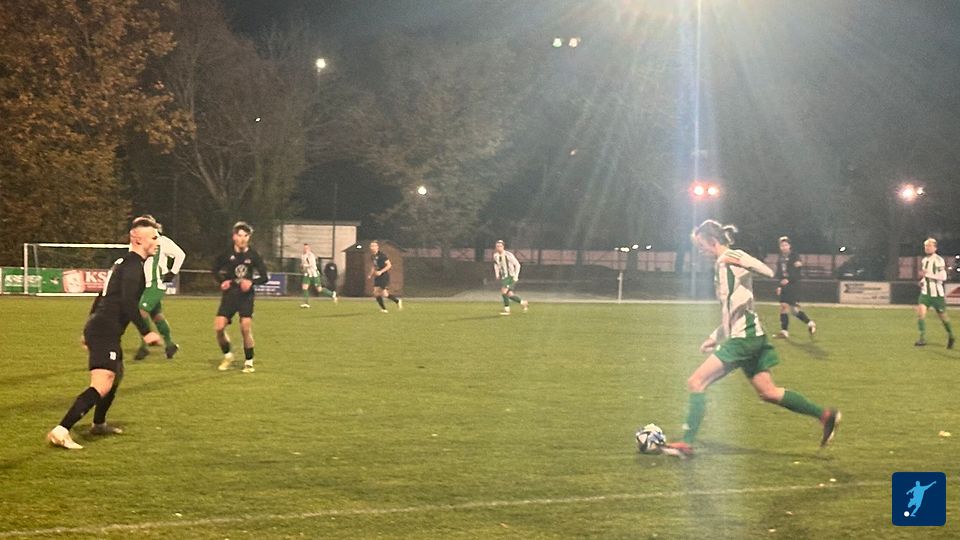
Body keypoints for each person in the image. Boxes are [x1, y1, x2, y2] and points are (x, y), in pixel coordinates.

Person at [664, 220, 840, 458]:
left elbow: (766, 270)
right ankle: (825, 416)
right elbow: (732, 312)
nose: (700, 251)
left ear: (712, 241)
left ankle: (686, 443)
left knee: (696, 382)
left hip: (744, 338)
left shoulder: (730, 257)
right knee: (768, 392)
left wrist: (741, 259)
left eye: (701, 245)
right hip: (751, 335)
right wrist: (715, 337)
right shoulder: (721, 264)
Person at [47, 218, 162, 450]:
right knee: (102, 382)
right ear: (138, 239)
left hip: (100, 327)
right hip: (105, 330)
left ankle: (98, 424)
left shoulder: (121, 263)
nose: (157, 242)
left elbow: (102, 295)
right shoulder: (133, 266)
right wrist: (146, 332)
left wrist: (87, 327)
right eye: (153, 237)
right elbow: (128, 302)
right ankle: (61, 430)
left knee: (116, 374)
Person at [212, 221, 269, 373]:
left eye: (245, 236)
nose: (242, 239)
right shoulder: (226, 254)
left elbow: (265, 277)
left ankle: (249, 361)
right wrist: (222, 281)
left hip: (246, 297)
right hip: (230, 295)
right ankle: (228, 355)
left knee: (245, 328)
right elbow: (214, 270)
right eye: (240, 236)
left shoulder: (254, 255)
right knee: (219, 328)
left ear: (249, 238)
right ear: (234, 237)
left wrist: (251, 282)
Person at [134, 217, 186, 360]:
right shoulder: (140, 242)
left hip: (155, 284)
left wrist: (173, 272)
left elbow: (180, 254)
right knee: (157, 316)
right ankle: (170, 345)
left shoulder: (162, 241)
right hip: (145, 285)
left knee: (141, 311)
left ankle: (144, 347)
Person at [915, 238, 954, 349]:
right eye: (926, 246)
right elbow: (925, 276)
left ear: (935, 248)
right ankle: (922, 338)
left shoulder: (938, 260)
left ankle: (951, 336)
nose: (927, 248)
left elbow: (943, 277)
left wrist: (927, 275)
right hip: (925, 293)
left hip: (937, 295)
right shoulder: (924, 260)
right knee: (920, 314)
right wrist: (922, 281)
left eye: (929, 246)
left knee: (943, 317)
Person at [773, 236, 816, 338]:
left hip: (793, 285)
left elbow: (797, 272)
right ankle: (809, 324)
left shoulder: (795, 256)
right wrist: (779, 285)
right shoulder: (780, 258)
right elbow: (779, 273)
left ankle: (785, 331)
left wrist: (788, 279)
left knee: (789, 308)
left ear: (789, 246)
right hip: (784, 285)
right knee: (789, 309)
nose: (784, 247)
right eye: (782, 245)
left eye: (785, 245)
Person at [493, 240, 528, 315]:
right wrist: (497, 274)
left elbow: (517, 265)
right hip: (504, 277)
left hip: (510, 276)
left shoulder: (508, 255)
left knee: (503, 291)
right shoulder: (495, 255)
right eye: (497, 246)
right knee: (509, 294)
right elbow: (496, 265)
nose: (498, 247)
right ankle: (523, 303)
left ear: (503, 247)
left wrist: (516, 276)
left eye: (500, 246)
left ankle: (507, 310)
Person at [368, 240, 402, 312]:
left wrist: (381, 271)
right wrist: (370, 274)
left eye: (374, 246)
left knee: (378, 293)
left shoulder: (382, 255)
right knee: (383, 294)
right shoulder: (373, 256)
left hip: (384, 276)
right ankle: (396, 301)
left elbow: (389, 265)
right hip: (377, 276)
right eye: (371, 246)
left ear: (377, 247)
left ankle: (384, 309)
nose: (372, 247)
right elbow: (374, 266)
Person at [299, 243, 337, 308]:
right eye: (304, 248)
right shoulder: (302, 256)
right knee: (304, 288)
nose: (305, 249)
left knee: (319, 289)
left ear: (309, 249)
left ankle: (332, 294)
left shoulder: (311, 255)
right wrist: (303, 269)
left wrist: (304, 265)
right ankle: (306, 303)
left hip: (314, 274)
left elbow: (312, 265)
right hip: (307, 274)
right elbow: (303, 265)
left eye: (306, 248)